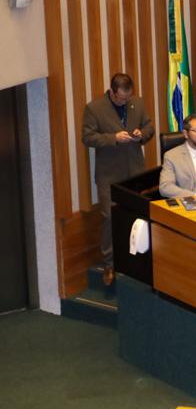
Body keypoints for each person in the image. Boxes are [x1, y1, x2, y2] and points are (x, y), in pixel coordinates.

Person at [81, 73, 155, 285]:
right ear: (112, 92)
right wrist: (113, 138)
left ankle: (138, 259)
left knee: (138, 214)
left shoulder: (137, 103)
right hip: (109, 174)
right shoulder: (94, 108)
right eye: (122, 98)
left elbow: (149, 127)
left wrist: (141, 134)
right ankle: (109, 264)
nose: (125, 101)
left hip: (135, 170)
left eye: (128, 97)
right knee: (109, 217)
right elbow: (87, 137)